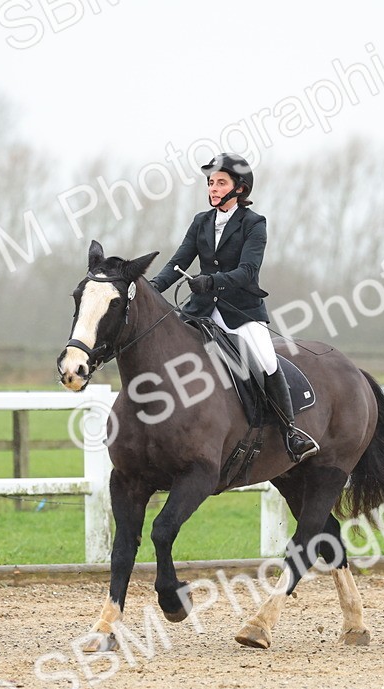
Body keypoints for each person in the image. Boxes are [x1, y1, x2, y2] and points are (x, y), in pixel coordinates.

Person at [147, 153, 319, 463]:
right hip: (199, 310)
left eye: (220, 183)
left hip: (240, 312)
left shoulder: (254, 224)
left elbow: (248, 271)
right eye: (210, 183)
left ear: (239, 188)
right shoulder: (201, 221)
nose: (212, 188)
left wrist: (211, 282)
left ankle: (290, 431)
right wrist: (152, 287)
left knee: (266, 361)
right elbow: (178, 262)